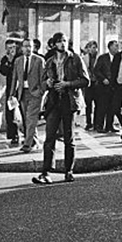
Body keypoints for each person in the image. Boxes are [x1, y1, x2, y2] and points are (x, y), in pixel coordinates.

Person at [33, 33, 89, 185]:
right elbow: (43, 83)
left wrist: (68, 84)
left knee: (68, 137)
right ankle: (46, 172)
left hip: (69, 100)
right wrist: (49, 83)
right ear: (53, 44)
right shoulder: (49, 61)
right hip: (53, 101)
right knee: (49, 137)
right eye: (59, 42)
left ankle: (68, 170)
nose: (62, 44)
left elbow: (85, 80)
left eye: (64, 41)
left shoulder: (75, 58)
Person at [11, 38, 47, 153]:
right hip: (23, 93)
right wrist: (12, 93)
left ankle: (27, 145)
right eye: (26, 46)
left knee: (31, 119)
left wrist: (41, 91)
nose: (28, 49)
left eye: (30, 46)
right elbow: (14, 78)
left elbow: (44, 78)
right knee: (26, 120)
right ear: (21, 48)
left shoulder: (39, 60)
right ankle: (34, 141)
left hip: (35, 93)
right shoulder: (18, 61)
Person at [91, 40, 119, 133]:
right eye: (115, 46)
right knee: (101, 107)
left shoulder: (118, 58)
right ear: (110, 47)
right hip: (102, 87)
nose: (117, 48)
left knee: (112, 107)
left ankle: (109, 125)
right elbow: (96, 70)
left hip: (114, 87)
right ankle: (99, 125)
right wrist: (103, 79)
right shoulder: (102, 58)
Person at [0, 38, 21, 147]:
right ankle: (13, 135)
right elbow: (3, 71)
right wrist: (9, 61)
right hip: (10, 88)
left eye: (13, 47)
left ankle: (26, 133)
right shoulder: (5, 59)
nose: (11, 50)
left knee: (21, 112)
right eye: (9, 48)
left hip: (20, 87)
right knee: (11, 112)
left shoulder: (20, 58)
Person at [81, 40, 100, 131]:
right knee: (88, 104)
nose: (94, 50)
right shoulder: (84, 58)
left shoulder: (99, 58)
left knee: (97, 104)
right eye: (92, 48)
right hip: (88, 84)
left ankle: (96, 123)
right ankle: (89, 122)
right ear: (88, 49)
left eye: (95, 48)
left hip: (97, 83)